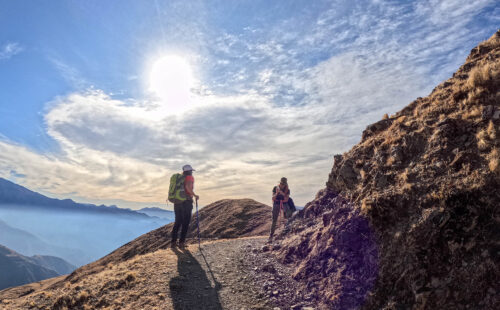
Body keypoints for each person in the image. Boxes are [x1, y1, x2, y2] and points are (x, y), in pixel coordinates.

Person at [171, 164, 199, 249]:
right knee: (185, 223)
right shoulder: (189, 177)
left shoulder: (179, 178)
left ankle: (173, 242)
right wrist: (195, 195)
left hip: (177, 202)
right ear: (190, 171)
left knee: (177, 222)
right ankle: (182, 243)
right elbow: (188, 187)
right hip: (186, 202)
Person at [269, 177, 293, 241]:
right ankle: (271, 236)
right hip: (276, 203)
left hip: (284, 204)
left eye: (283, 184)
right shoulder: (275, 188)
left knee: (287, 217)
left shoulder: (287, 190)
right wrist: (277, 194)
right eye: (281, 183)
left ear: (285, 184)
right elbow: (273, 198)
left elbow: (286, 199)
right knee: (274, 220)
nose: (282, 185)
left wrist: (283, 194)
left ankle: (287, 234)